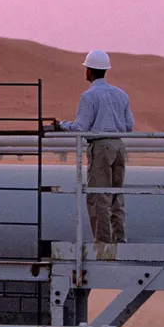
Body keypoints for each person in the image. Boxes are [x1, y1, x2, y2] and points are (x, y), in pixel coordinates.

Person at [56, 50, 135, 244]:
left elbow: (80, 127)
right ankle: (120, 238)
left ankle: (103, 242)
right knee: (117, 195)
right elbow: (129, 125)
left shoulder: (89, 96)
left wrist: (62, 125)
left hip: (100, 147)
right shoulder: (121, 94)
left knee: (99, 196)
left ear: (89, 71)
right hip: (118, 147)